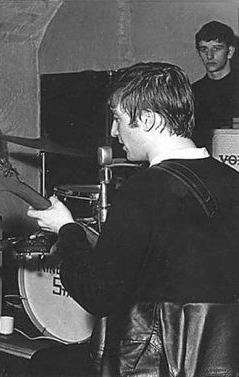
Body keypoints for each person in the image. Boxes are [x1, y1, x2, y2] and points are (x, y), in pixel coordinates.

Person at [27, 62, 239, 376]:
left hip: (153, 363)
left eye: (118, 118)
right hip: (220, 361)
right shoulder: (231, 181)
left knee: (43, 364)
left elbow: (97, 294)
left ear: (148, 119)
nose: (114, 133)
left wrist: (67, 229)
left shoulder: (142, 190)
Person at [192, 20, 239, 149]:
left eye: (216, 49)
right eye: (204, 49)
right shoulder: (192, 92)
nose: (209, 55)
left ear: (230, 52)